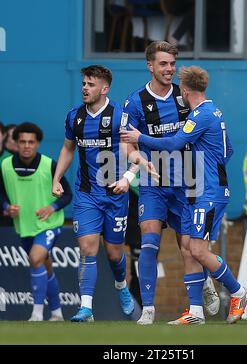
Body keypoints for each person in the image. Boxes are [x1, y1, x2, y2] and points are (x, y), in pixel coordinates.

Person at [122, 65, 247, 324]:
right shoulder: (213, 111)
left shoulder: (201, 114)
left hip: (208, 192)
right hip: (201, 190)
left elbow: (173, 143)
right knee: (193, 249)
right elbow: (228, 151)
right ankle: (195, 312)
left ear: (184, 90)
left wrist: (140, 137)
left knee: (198, 250)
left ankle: (239, 292)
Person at [122, 41, 220, 325]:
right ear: (150, 66)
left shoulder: (185, 96)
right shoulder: (134, 102)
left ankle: (204, 285)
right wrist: (139, 163)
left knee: (189, 247)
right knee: (149, 241)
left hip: (187, 183)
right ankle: (149, 309)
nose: (169, 69)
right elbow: (128, 145)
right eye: (163, 64)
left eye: (172, 64)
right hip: (153, 184)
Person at [52, 65, 156, 322]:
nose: (85, 88)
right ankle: (86, 308)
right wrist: (57, 179)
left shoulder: (120, 115)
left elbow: (133, 151)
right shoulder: (74, 116)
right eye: (84, 83)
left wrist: (128, 176)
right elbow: (68, 149)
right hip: (86, 194)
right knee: (88, 248)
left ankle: (121, 286)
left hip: (114, 194)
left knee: (113, 253)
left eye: (90, 84)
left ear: (104, 88)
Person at [0, 122, 72, 321]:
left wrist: (52, 208)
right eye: (22, 141)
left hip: (49, 224)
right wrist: (6, 206)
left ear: (38, 143)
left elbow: (67, 195)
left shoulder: (50, 165)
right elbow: (1, 194)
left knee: (35, 258)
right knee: (45, 267)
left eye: (31, 142)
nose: (26, 145)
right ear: (15, 142)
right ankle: (57, 313)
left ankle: (37, 313)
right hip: (24, 226)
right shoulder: (4, 166)